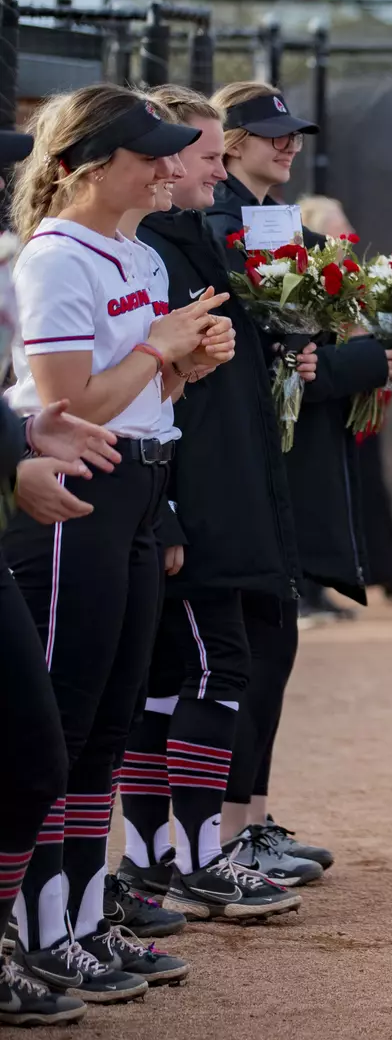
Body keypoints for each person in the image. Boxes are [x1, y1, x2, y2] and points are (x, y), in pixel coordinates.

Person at [4, 84, 229, 1002]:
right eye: (150, 150)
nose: (168, 163)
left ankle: (87, 921)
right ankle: (39, 930)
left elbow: (141, 397)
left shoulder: (133, 249)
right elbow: (62, 413)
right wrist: (158, 349)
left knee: (104, 725)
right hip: (73, 489)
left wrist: (184, 364)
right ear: (88, 165)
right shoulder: (56, 257)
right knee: (54, 726)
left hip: (139, 482)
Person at [115, 85, 318, 919]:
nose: (195, 171)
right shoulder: (152, 249)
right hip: (180, 498)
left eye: (197, 155)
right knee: (208, 671)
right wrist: (163, 506)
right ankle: (189, 858)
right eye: (196, 156)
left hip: (202, 493)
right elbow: (145, 393)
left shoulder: (186, 237)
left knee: (167, 683)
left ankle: (154, 858)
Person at [206, 80, 386, 880]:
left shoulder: (283, 228)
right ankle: (217, 835)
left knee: (273, 649)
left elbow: (304, 350)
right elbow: (282, 360)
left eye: (291, 133)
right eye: (266, 131)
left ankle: (250, 821)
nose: (286, 144)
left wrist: (375, 345)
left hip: (283, 462)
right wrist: (370, 357)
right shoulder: (217, 227)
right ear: (229, 141)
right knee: (245, 653)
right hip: (244, 466)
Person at [0, 125, 107, 1029]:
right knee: (45, 740)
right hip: (50, 512)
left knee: (39, 753)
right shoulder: (49, 258)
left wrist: (21, 443)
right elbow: (65, 384)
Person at [298, 193, 392, 601]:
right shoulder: (309, 277)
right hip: (328, 396)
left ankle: (384, 569)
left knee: (368, 483)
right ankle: (314, 589)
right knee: (328, 489)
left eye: (345, 222)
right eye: (334, 224)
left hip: (363, 394)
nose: (346, 233)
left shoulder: (359, 276)